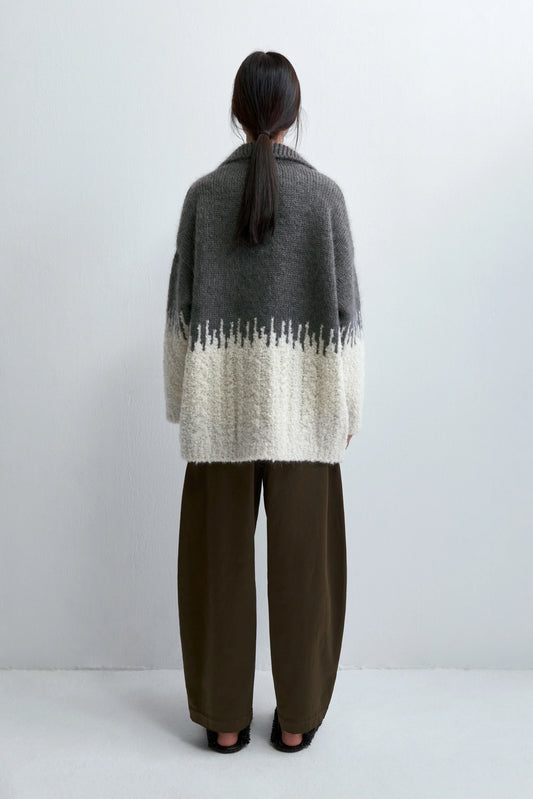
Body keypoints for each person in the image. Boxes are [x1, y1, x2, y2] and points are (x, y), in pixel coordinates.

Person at [163, 50, 365, 753]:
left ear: (237, 111)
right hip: (306, 415)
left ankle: (224, 723)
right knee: (306, 570)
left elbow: (180, 312)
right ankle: (296, 720)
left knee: (216, 566)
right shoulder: (325, 198)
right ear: (293, 113)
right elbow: (348, 317)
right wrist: (347, 408)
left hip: (218, 413)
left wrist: (181, 401)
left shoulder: (203, 197)